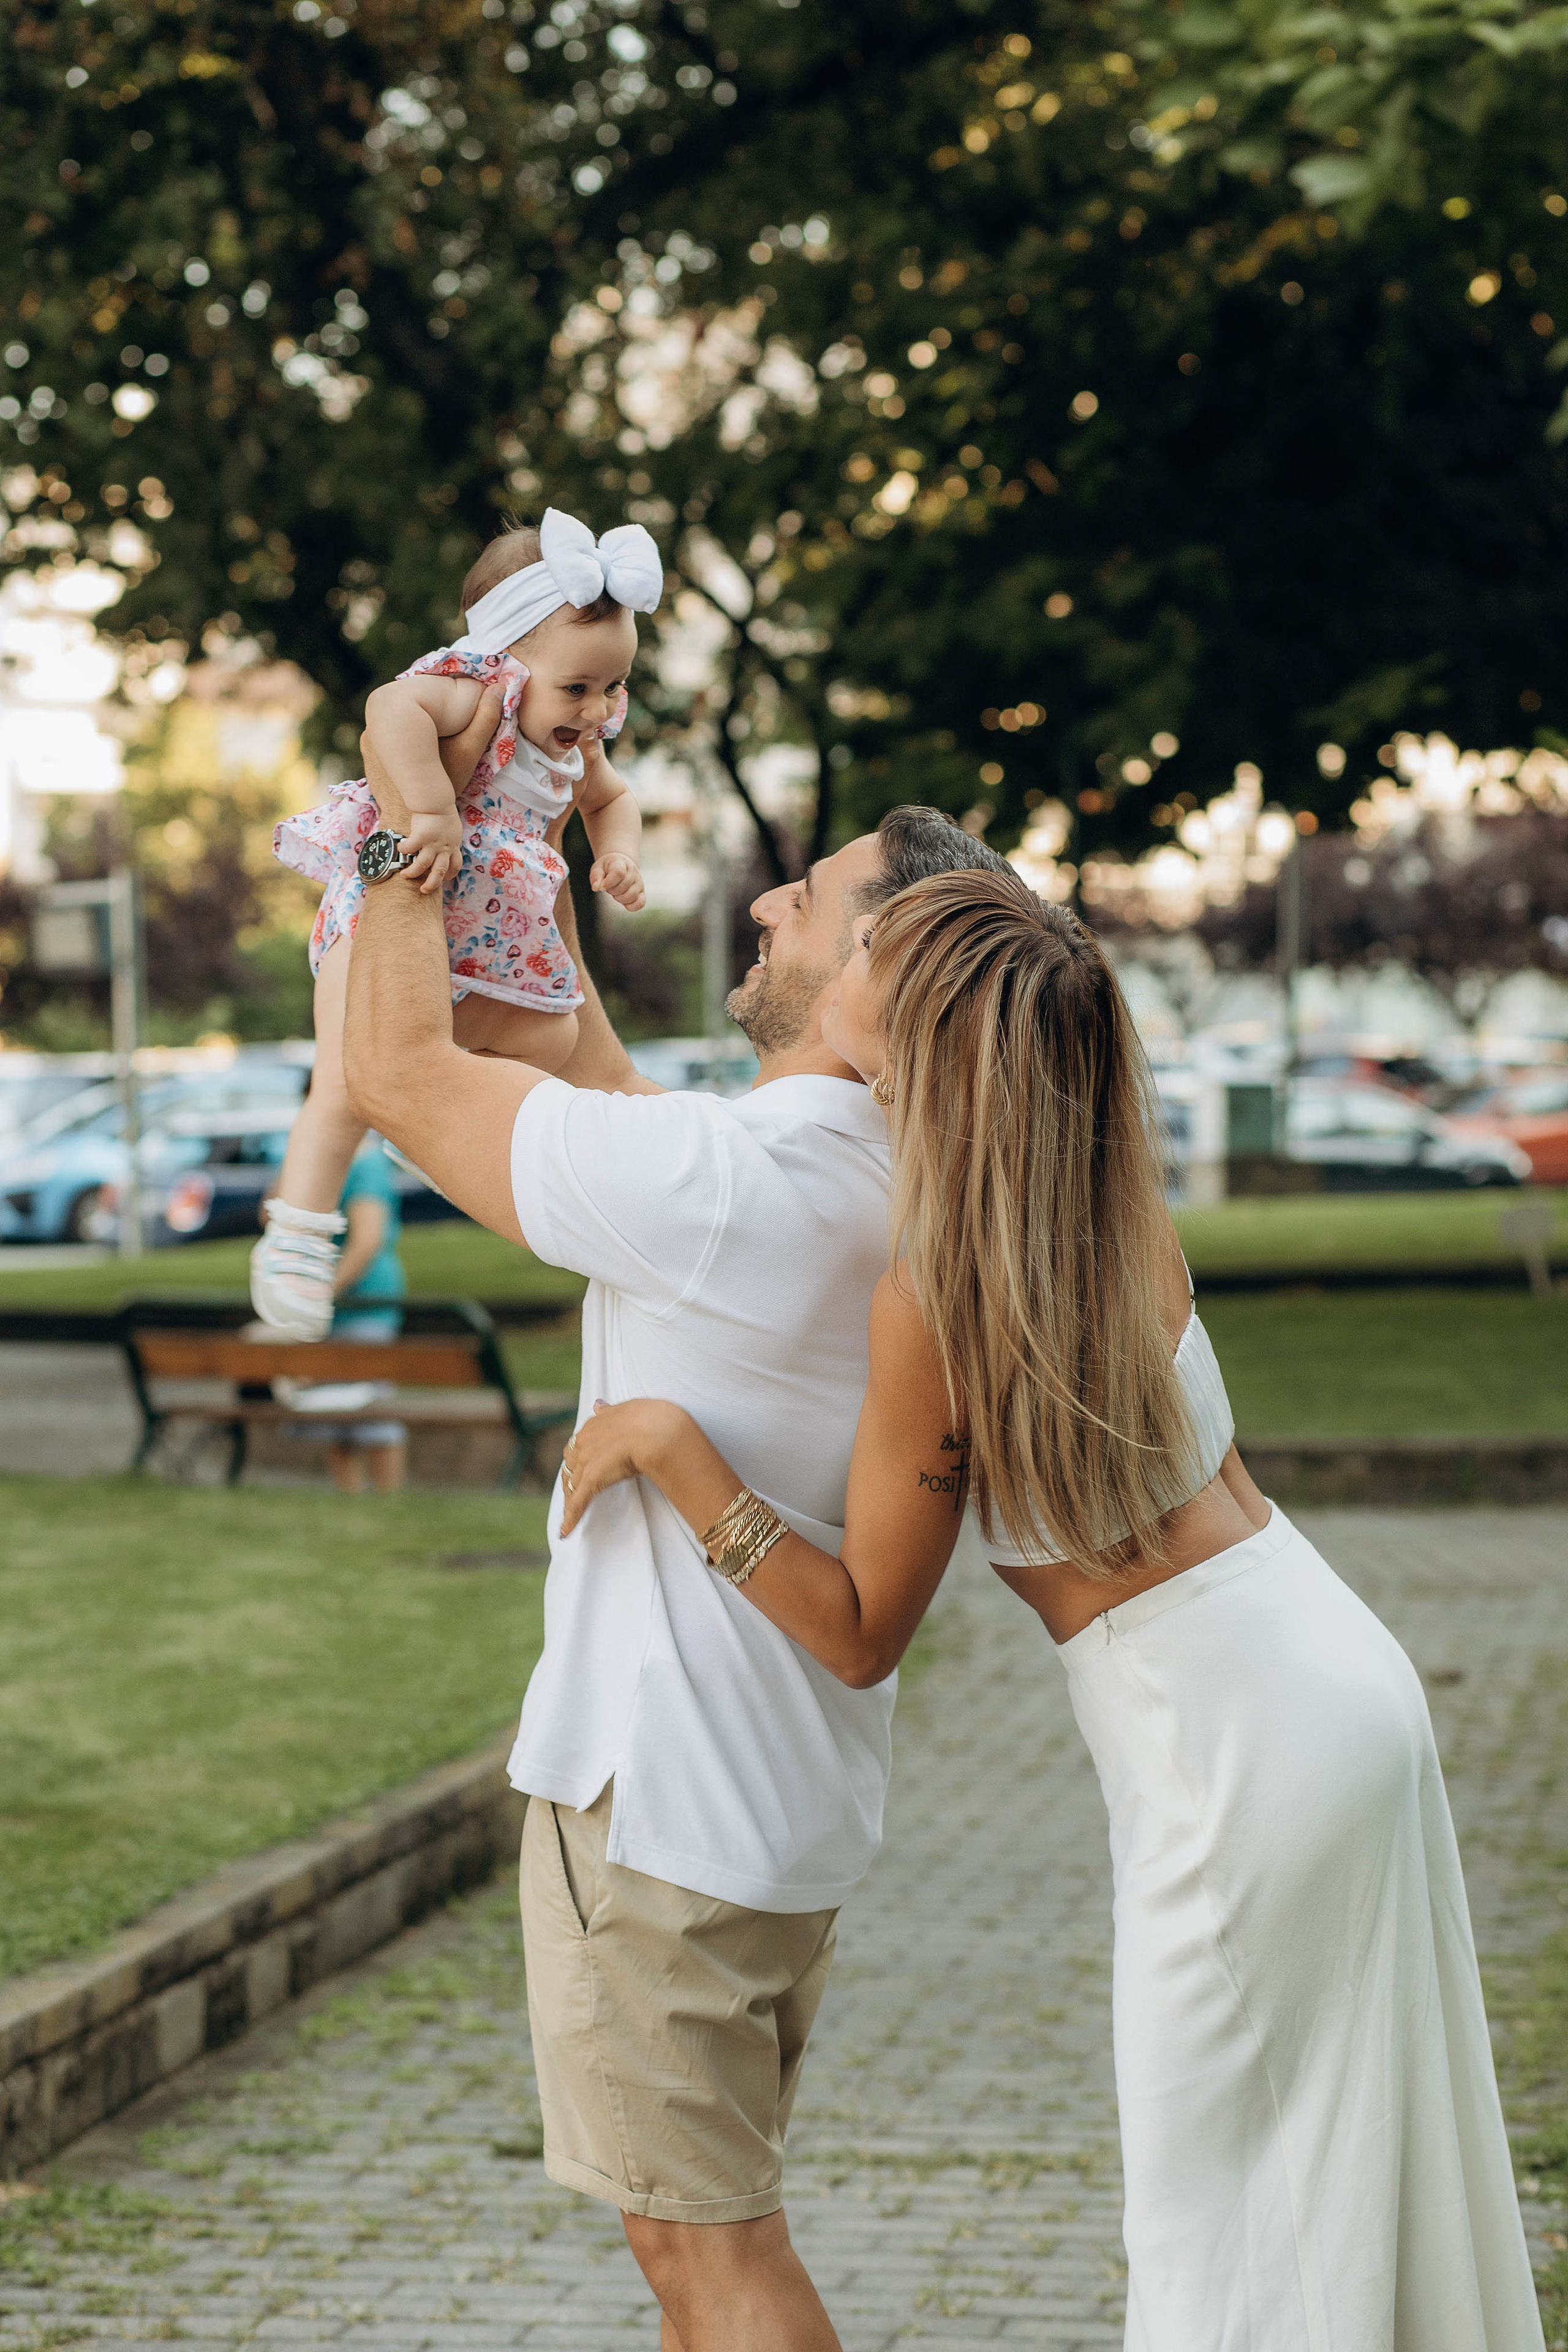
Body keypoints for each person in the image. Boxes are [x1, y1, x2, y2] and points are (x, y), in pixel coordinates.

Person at [557, 867, 1545, 2352]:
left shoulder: (935, 1291)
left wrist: (670, 1452)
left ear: (922, 1033)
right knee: (1347, 2168)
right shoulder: (1099, 1196)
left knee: (1222, 2220)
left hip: (1225, 1755)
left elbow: (853, 1625)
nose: (843, 947)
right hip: (1334, 1668)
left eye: (872, 947)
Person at [336, 700, 1012, 2351]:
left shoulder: (740, 1183)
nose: (772, 900)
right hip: (770, 1812)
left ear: (881, 992)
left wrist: (393, 823)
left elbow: (402, 1080)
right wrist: (531, 884)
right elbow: (610, 1099)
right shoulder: (860, 1170)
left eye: (815, 896)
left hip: (669, 1808)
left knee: (709, 2251)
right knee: (694, 2246)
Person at [253, 507, 660, 1340]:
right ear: (508, 654)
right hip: (387, 909)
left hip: (491, 932)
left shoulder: (583, 733)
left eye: (611, 686)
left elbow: (611, 798)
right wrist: (432, 808)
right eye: (577, 687)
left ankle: (436, 1129)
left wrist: (616, 855)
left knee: (550, 1043)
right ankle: (295, 1235)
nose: (594, 710)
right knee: (346, 1079)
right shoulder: (482, 687)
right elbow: (388, 710)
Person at [286, 1134, 410, 1494]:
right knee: (333, 1408)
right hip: (328, 1302)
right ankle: (349, 1497)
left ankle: (388, 1498)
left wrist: (322, 1293)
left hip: (364, 1300)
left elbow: (368, 1240)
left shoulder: (367, 1164)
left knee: (371, 1407)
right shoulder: (316, 1161)